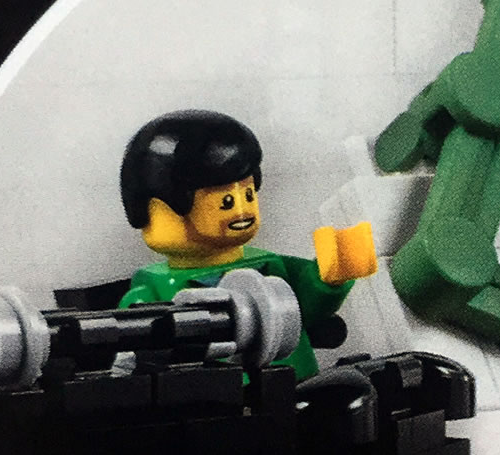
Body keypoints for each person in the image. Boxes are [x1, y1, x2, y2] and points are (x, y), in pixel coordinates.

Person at [119, 109, 376, 379]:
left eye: (249, 195)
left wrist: (328, 278)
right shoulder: (151, 292)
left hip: (298, 384)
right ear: (154, 209)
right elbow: (131, 359)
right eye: (226, 202)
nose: (241, 212)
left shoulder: (269, 266)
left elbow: (305, 311)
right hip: (212, 396)